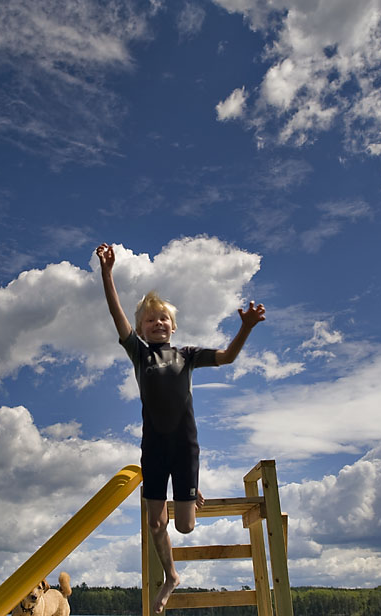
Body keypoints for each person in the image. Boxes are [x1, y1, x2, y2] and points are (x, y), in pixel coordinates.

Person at [95, 242, 266, 614]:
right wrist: (107, 274)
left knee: (186, 527)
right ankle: (171, 575)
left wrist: (246, 328)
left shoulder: (187, 355)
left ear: (173, 326)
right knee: (156, 521)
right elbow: (116, 317)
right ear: (142, 328)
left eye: (163, 319)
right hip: (153, 448)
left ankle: (188, 488)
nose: (157, 323)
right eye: (150, 320)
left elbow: (227, 357)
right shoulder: (140, 354)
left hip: (185, 447)